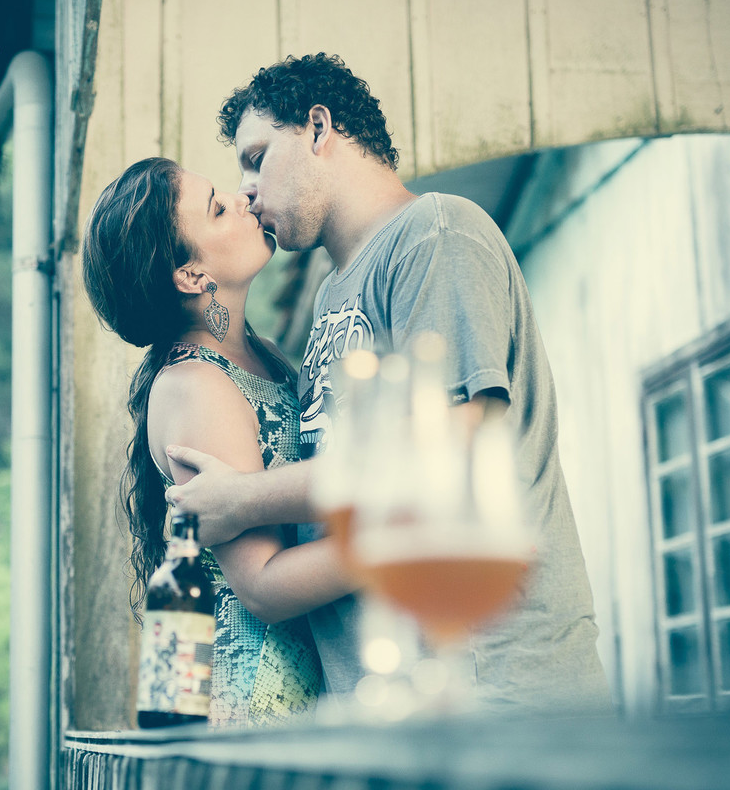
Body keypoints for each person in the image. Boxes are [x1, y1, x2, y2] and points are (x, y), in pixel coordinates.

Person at [164, 53, 611, 712]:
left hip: (497, 690)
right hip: (395, 707)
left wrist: (246, 499)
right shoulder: (331, 295)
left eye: (257, 158)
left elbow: (441, 454)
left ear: (318, 128)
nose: (247, 190)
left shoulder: (435, 235)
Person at [81, 156, 359, 726]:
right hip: (262, 714)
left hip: (310, 694)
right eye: (216, 207)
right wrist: (405, 545)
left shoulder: (259, 357)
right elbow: (263, 586)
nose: (242, 198)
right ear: (191, 276)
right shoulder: (195, 385)